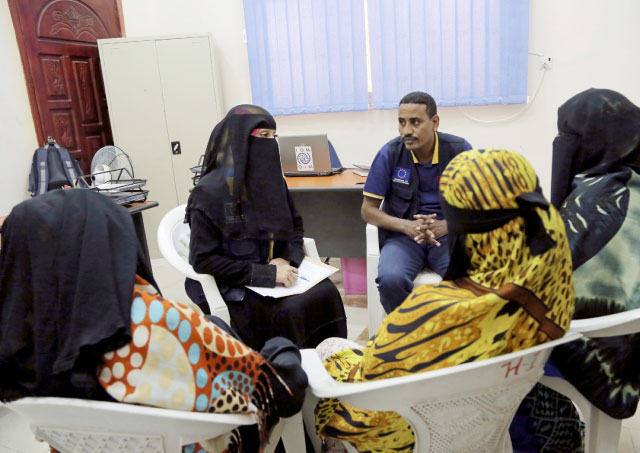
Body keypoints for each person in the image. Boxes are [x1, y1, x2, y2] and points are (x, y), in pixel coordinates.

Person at [0, 189, 308, 452]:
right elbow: (278, 391)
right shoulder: (156, 324)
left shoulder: (18, 343)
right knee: (276, 348)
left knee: (215, 323)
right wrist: (282, 352)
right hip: (198, 441)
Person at [314, 149, 576, 452]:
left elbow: (370, 386)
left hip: (417, 436)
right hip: (500, 421)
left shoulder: (427, 311)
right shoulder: (552, 285)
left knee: (330, 348)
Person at [510, 88, 640, 452]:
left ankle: (546, 438)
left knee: (492, 343)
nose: (561, 145)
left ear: (592, 140)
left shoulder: (598, 197)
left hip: (602, 347)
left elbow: (548, 283)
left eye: (567, 136)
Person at [184, 105, 347, 351]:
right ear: (239, 140)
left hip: (275, 273)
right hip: (233, 284)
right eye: (263, 136)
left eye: (273, 137)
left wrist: (284, 259)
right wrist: (265, 274)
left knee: (326, 293)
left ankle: (327, 364)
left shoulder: (271, 182)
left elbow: (295, 230)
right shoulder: (209, 193)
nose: (270, 144)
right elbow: (204, 260)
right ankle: (287, 373)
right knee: (290, 310)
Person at [362, 91, 473, 314]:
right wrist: (406, 226)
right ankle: (405, 337)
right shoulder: (390, 153)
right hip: (403, 238)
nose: (407, 131)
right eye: (401, 123)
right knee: (390, 280)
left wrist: (447, 225)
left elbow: (483, 208)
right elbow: (368, 211)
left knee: (468, 279)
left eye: (415, 122)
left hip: (448, 237)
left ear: (434, 122)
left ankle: (456, 338)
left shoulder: (459, 150)